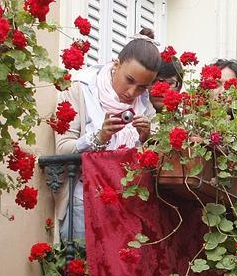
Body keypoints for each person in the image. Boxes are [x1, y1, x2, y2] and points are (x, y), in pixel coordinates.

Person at [53, 32, 159, 242]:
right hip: (85, 200)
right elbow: (62, 148)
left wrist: (146, 137)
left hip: (129, 205)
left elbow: (152, 161)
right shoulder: (81, 89)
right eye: (129, 80)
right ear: (116, 64)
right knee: (82, 268)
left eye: (142, 87)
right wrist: (99, 136)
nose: (132, 92)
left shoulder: (145, 106)